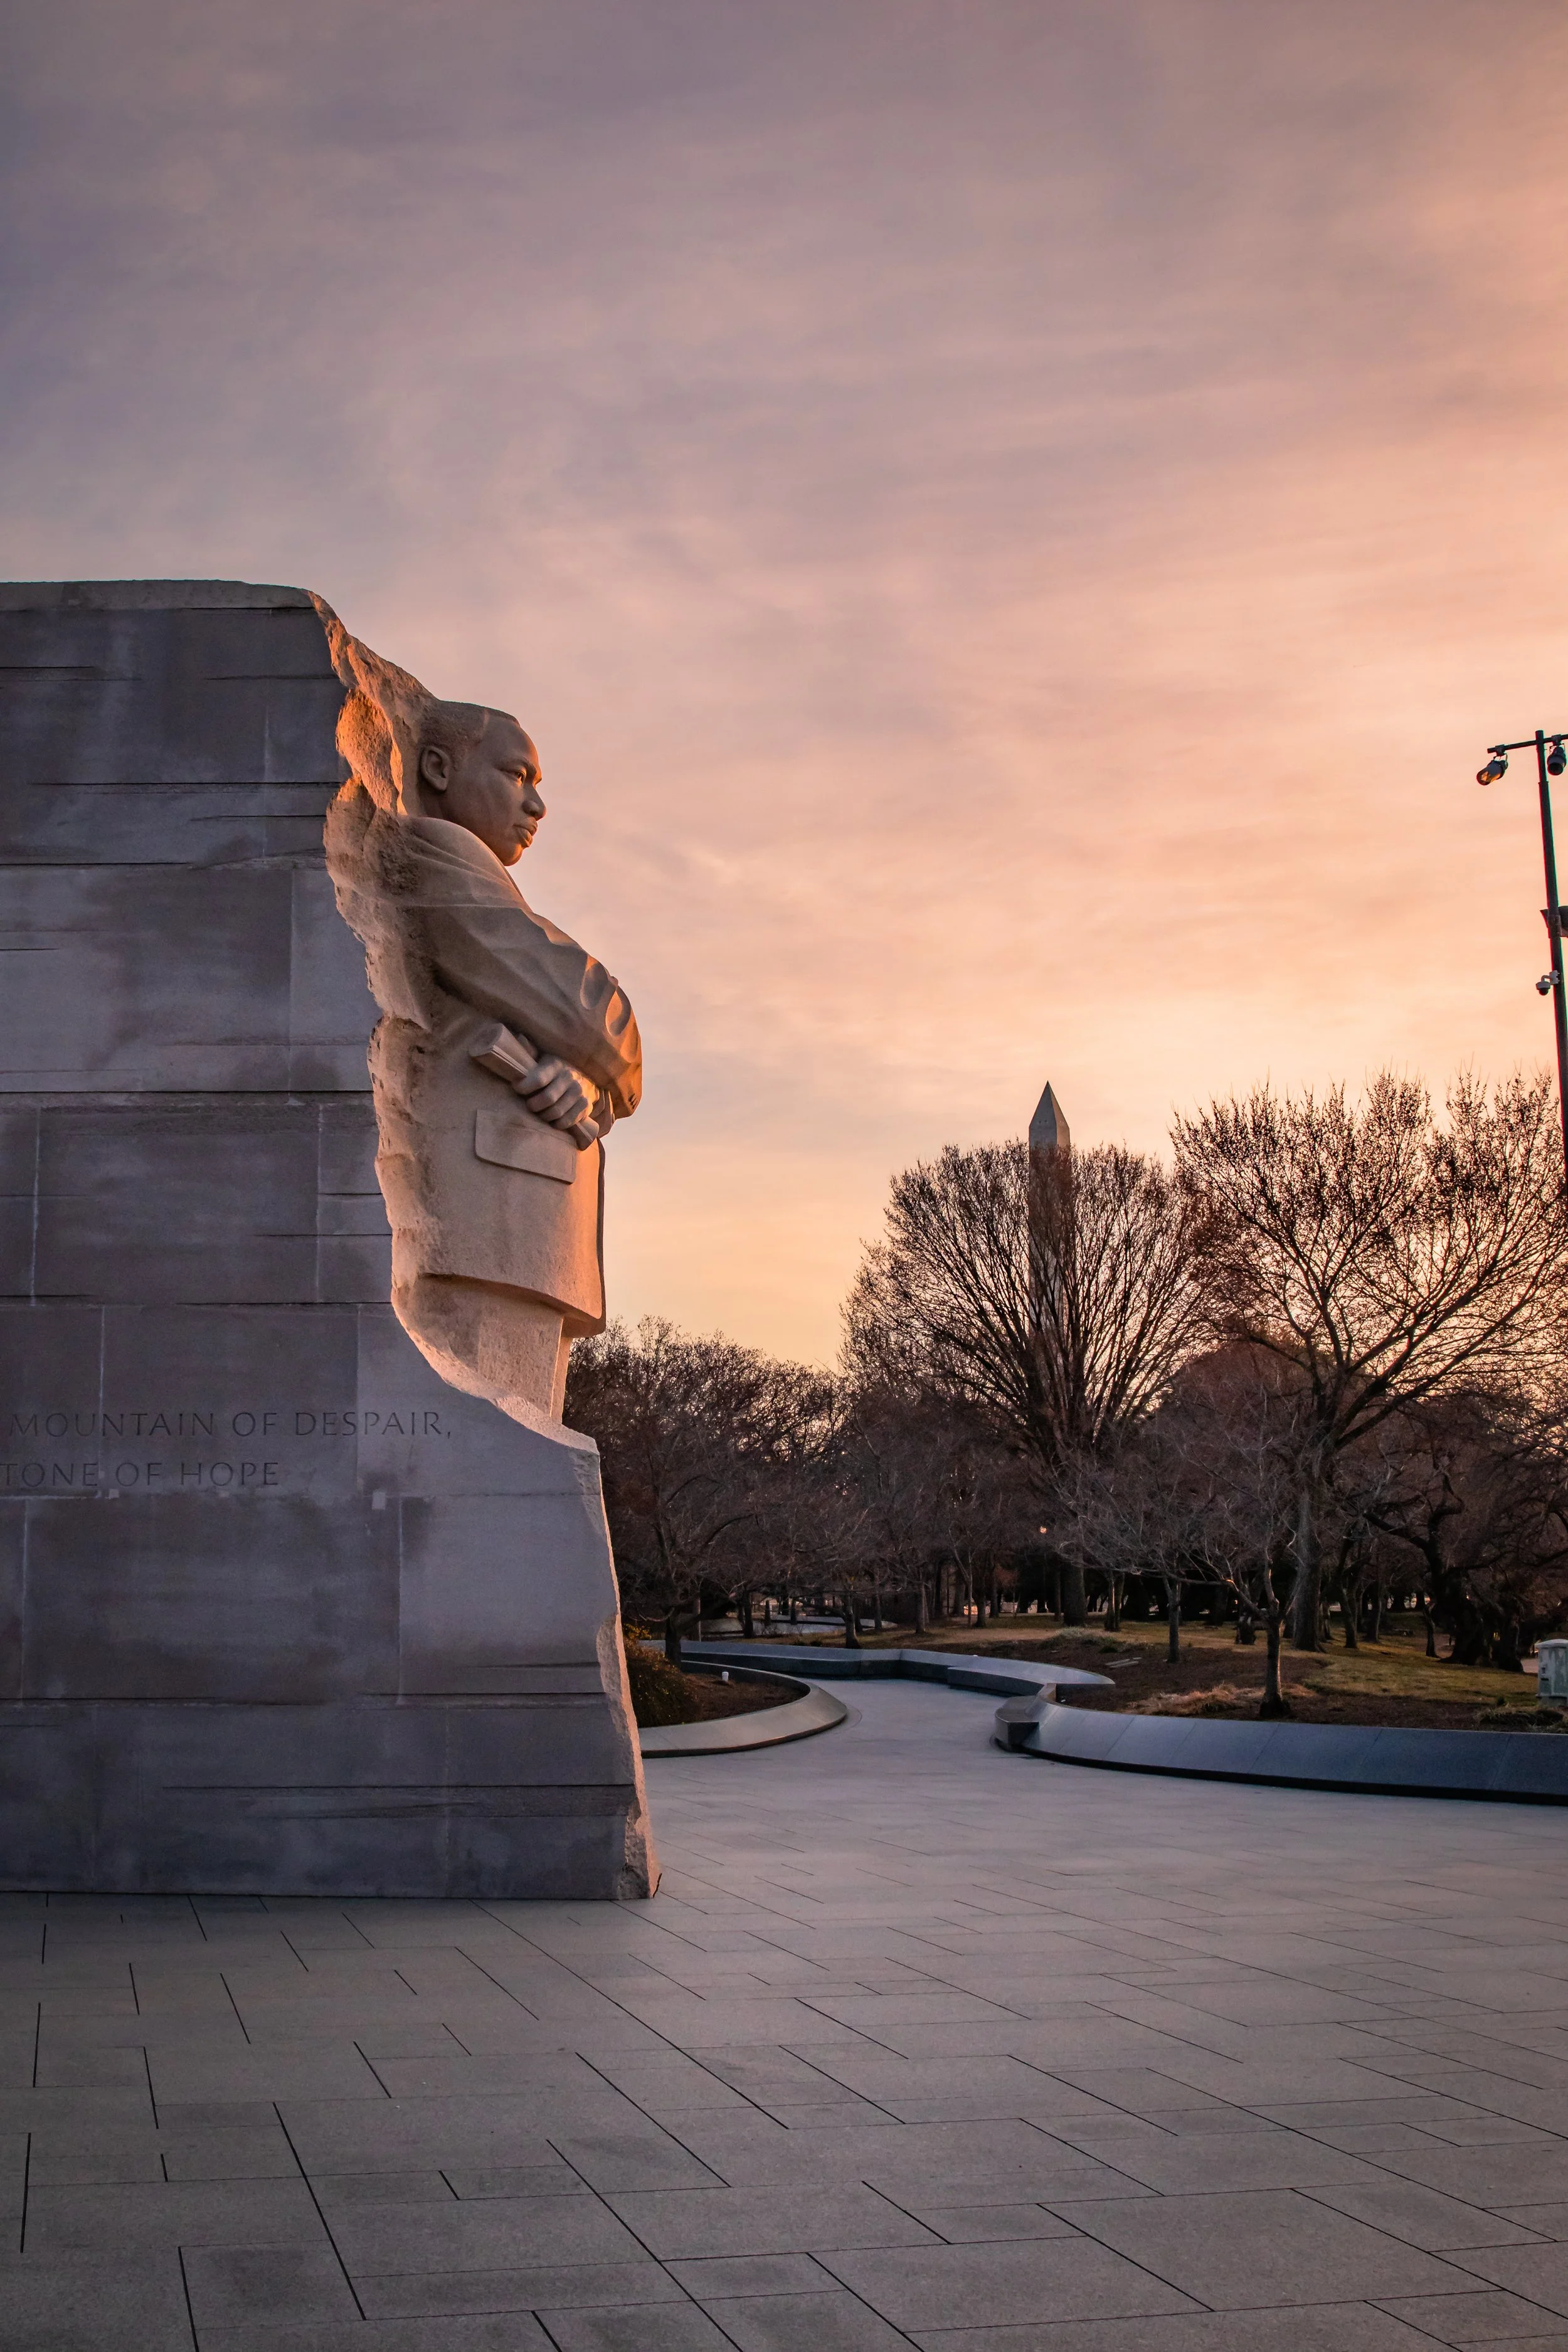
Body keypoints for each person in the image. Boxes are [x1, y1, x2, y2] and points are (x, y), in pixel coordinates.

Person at [324, 642, 640, 1424]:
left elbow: (578, 1046)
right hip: (484, 1223)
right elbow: (586, 1010)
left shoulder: (476, 874)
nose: (536, 806)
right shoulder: (435, 851)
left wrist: (591, 1083)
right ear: (436, 769)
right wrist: (612, 1055)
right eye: (516, 775)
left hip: (515, 1227)